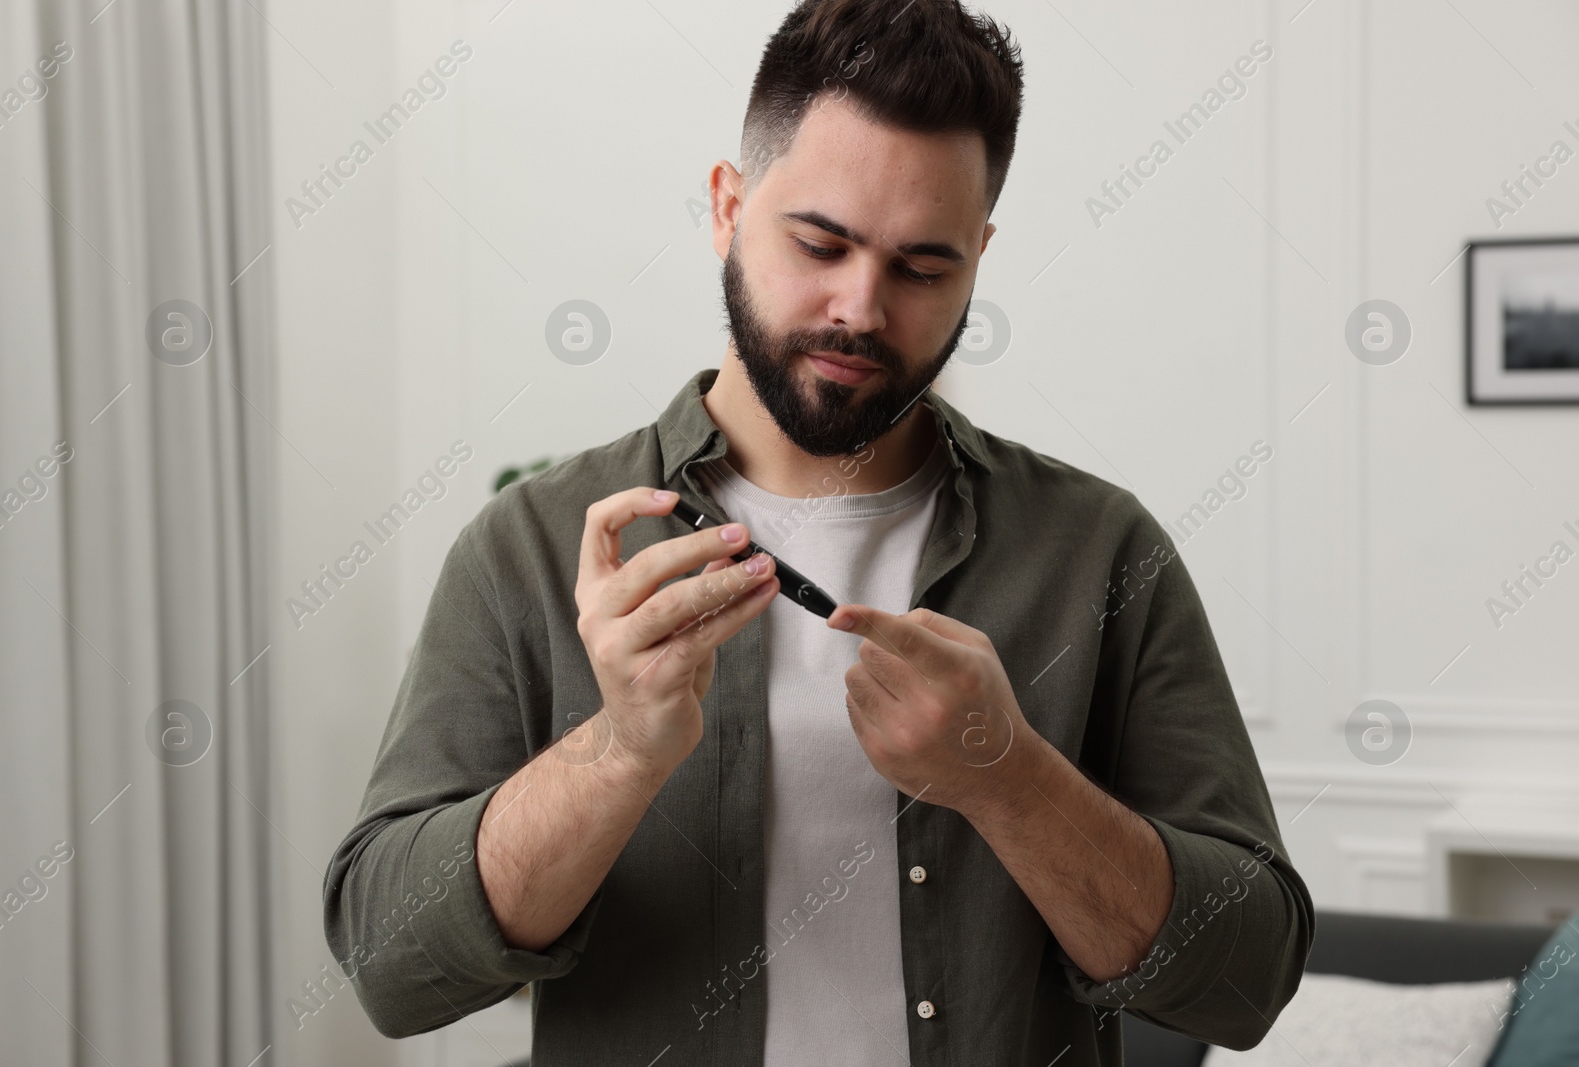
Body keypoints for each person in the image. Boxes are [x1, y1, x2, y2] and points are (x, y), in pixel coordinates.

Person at [323, 0, 1314, 1062]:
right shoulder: (531, 542)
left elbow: (1245, 976)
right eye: (820, 241)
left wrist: (1007, 775)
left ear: (978, 256)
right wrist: (616, 753)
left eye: (922, 267)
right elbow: (389, 961)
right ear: (726, 205)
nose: (860, 306)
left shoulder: (1100, 550)